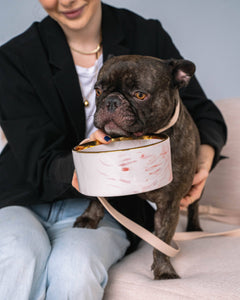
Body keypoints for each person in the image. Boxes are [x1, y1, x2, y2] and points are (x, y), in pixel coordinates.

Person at [0, 0, 227, 299]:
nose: (66, 1)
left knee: (76, 268)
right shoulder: (15, 57)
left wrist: (203, 157)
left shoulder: (145, 34)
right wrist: (89, 161)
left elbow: (203, 111)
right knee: (17, 256)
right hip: (24, 197)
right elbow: (33, 155)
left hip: (115, 207)